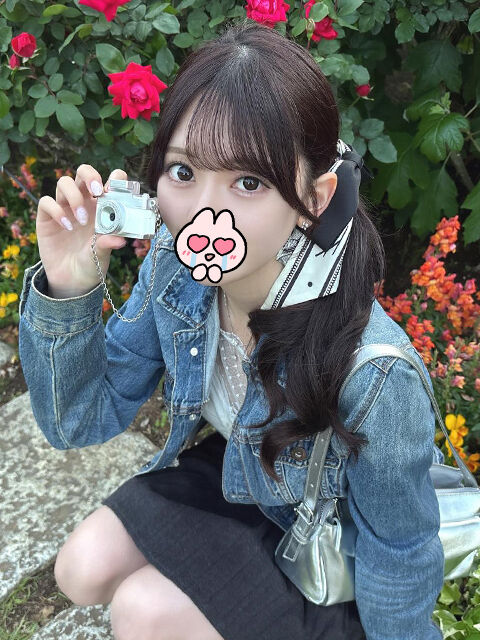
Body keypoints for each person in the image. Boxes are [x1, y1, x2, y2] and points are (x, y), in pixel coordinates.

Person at [18, 17, 445, 640]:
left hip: (326, 538)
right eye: (183, 172)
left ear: (315, 200)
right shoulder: (175, 268)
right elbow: (80, 419)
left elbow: (399, 548)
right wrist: (69, 287)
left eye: (248, 182)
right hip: (238, 474)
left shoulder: (375, 373)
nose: (203, 213)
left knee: (141, 612)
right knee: (80, 569)